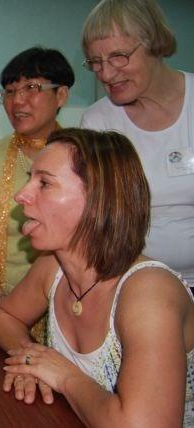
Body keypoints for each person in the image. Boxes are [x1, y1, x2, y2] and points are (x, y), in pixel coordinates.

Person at [0, 128, 194, 426]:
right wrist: (30, 360)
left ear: (98, 199)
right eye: (29, 179)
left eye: (44, 183)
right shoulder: (53, 267)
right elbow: (5, 315)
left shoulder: (150, 294)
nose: (22, 195)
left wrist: (65, 376)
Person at [80, 0, 194, 285]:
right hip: (132, 283)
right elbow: (98, 222)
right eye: (96, 62)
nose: (106, 74)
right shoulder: (98, 123)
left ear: (154, 45)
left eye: (119, 56)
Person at [0, 47, 74, 341]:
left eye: (32, 88)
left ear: (61, 96)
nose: (17, 100)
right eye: (9, 91)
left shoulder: (84, 156)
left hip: (68, 314)